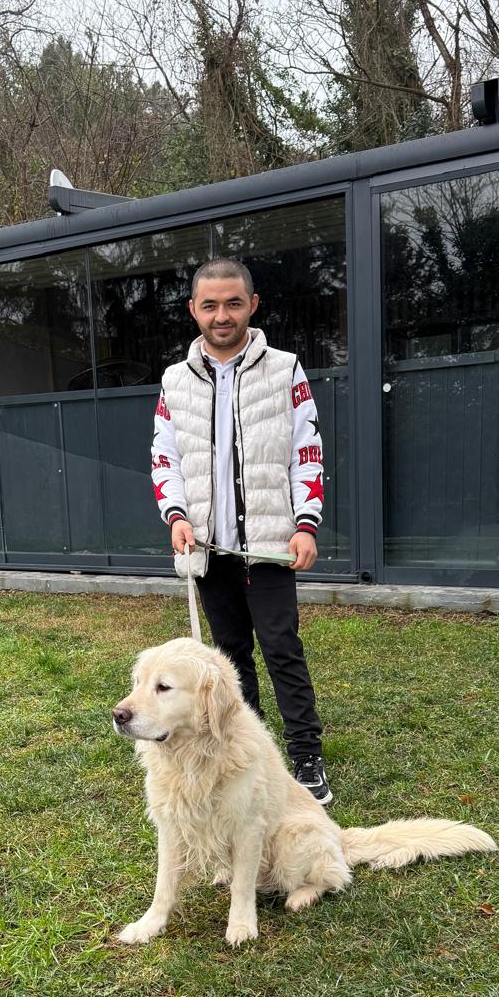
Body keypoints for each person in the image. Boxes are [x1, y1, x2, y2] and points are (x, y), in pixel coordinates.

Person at [149, 256, 332, 804]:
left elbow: (306, 450)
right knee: (229, 658)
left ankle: (306, 756)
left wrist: (306, 524)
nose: (222, 315)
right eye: (210, 305)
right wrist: (177, 516)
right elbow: (165, 457)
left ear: (252, 305)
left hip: (271, 548)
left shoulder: (286, 369)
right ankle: (246, 750)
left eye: (233, 303)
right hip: (208, 548)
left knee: (282, 650)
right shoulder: (174, 380)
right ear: (193, 310)